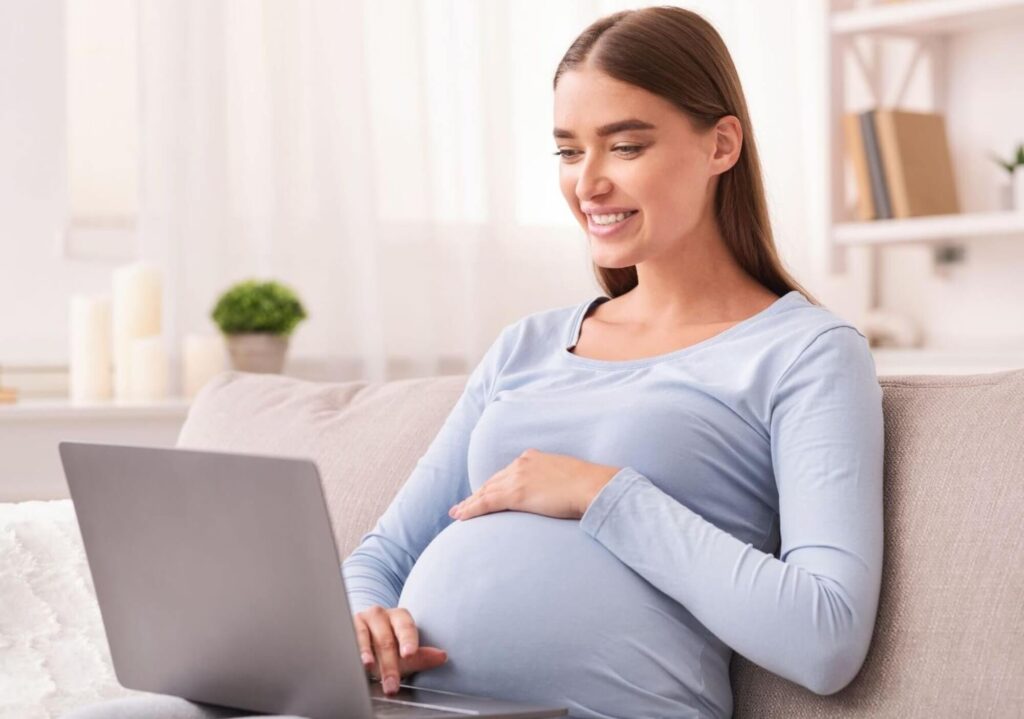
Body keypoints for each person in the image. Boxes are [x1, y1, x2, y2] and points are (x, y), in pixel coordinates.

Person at [65, 6, 883, 719]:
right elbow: (380, 557)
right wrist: (362, 618)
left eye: (626, 145)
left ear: (721, 145)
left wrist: (601, 492)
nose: (588, 182)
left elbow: (825, 636)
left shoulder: (805, 353)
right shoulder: (527, 345)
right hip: (404, 705)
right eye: (568, 152)